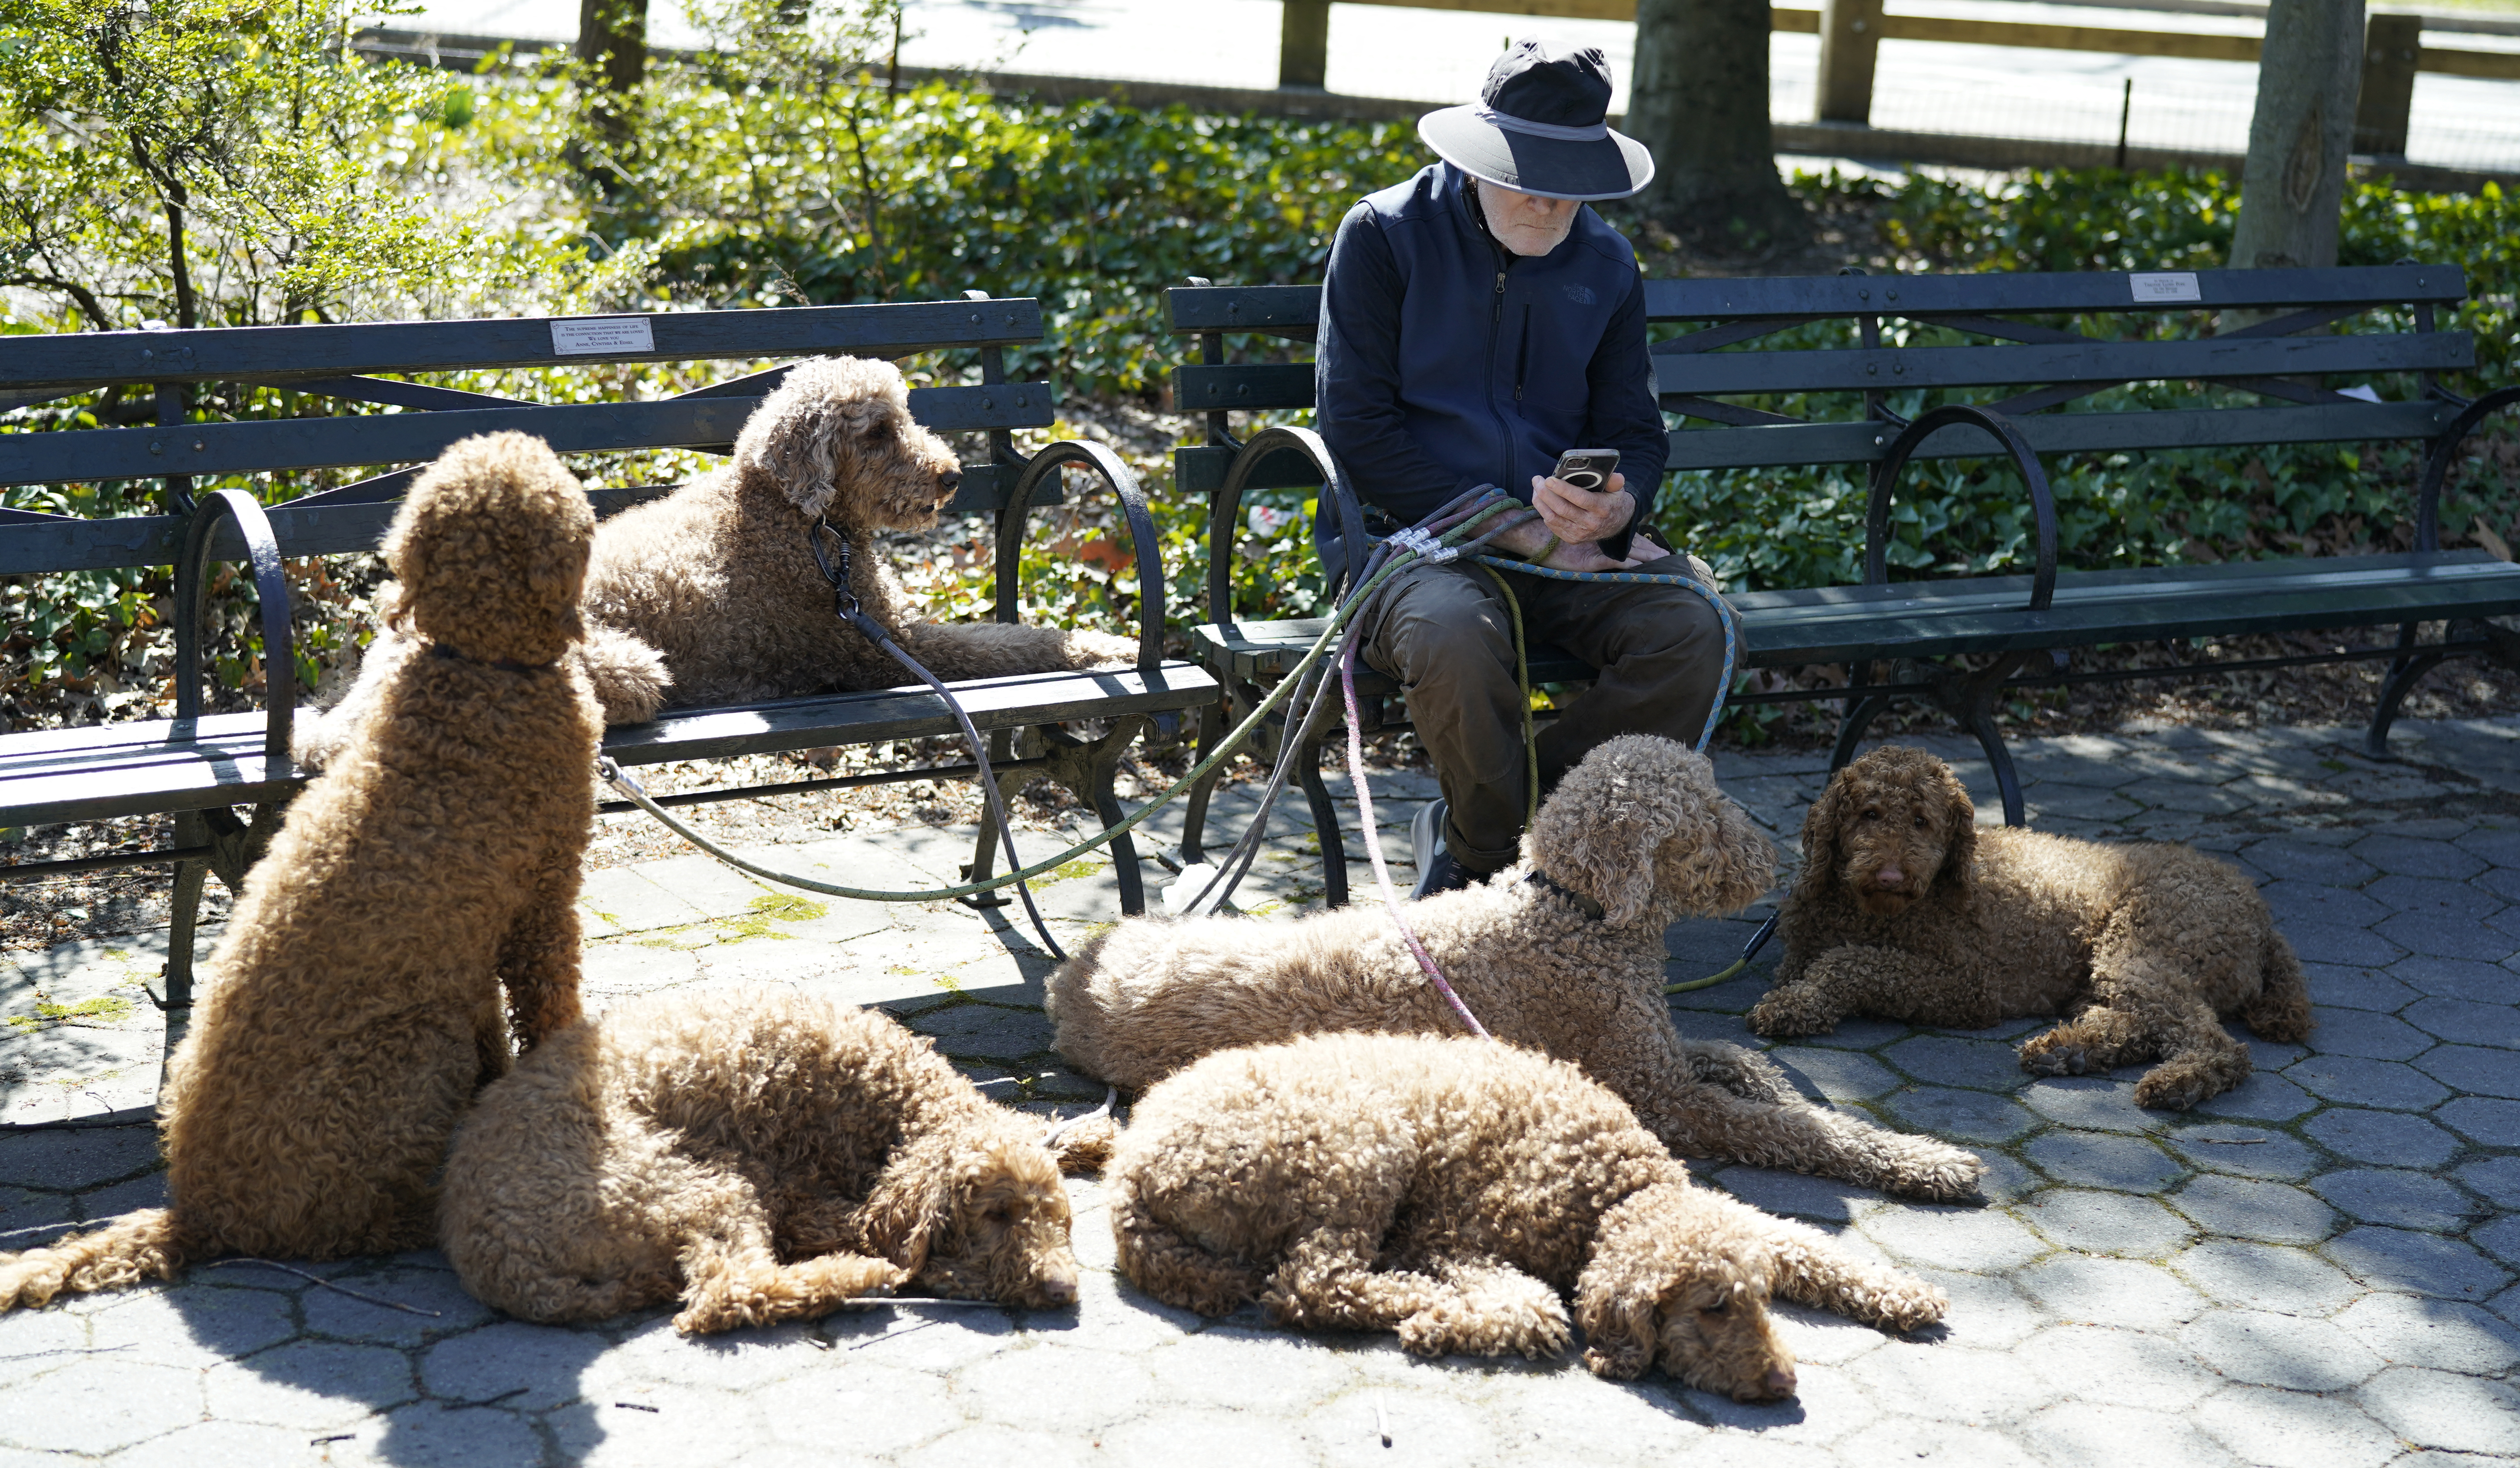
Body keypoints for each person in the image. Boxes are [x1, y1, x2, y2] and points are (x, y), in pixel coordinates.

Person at [1314, 38, 1729, 898]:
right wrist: (1521, 530)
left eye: (1569, 182)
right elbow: (1356, 429)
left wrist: (1615, 514)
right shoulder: (1384, 236)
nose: (1547, 201)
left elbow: (1635, 433)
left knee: (1697, 629)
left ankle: (1545, 836)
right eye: (1525, 174)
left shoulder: (1608, 264)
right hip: (1412, 543)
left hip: (1561, 548)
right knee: (1452, 636)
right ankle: (1483, 863)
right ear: (1478, 158)